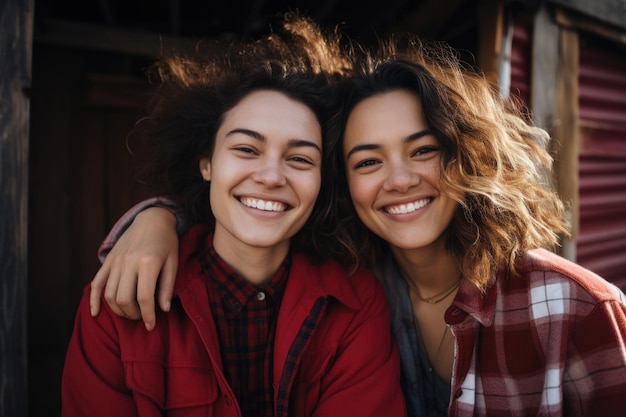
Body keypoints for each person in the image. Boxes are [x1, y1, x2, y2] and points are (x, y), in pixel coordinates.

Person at [89, 23, 626, 417]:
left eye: (423, 151)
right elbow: (248, 209)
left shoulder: (575, 308)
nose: (398, 180)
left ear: (465, 155)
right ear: (343, 183)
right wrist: (157, 217)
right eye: (368, 161)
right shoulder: (361, 277)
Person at [61, 14, 407, 417]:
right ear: (206, 163)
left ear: (322, 181)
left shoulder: (356, 302)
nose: (271, 176)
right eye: (246, 149)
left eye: (299, 158)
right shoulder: (118, 302)